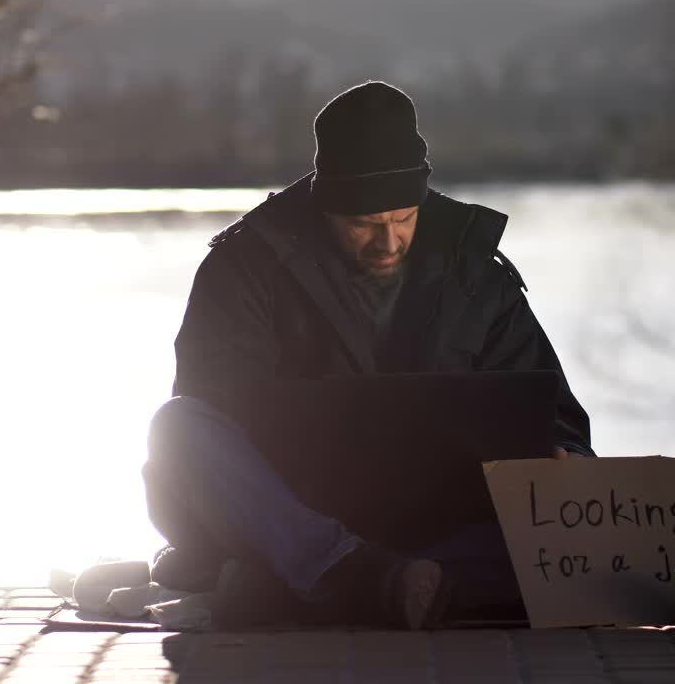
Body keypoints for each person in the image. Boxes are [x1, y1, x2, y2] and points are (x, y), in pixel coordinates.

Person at [142, 81, 594, 629]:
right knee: (179, 424)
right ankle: (347, 574)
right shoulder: (245, 265)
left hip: (444, 521)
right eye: (363, 225)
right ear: (324, 205)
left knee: (575, 552)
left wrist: (566, 455)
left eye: (403, 218)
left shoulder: (476, 271)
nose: (388, 241)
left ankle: (297, 590)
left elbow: (556, 412)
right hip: (292, 515)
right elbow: (212, 410)